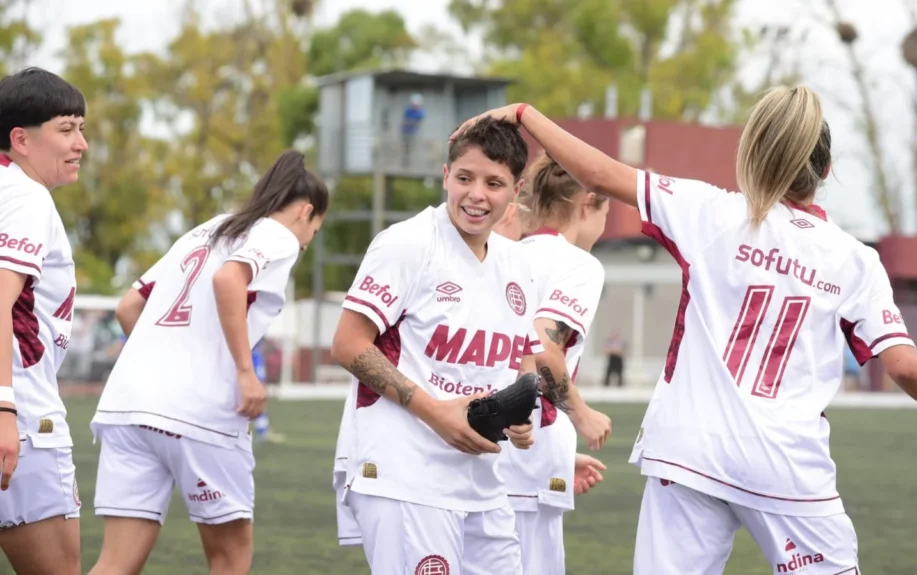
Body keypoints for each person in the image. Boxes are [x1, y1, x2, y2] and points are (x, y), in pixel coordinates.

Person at [455, 89, 917, 574]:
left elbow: (599, 173)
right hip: (788, 467)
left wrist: (528, 114)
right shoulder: (853, 260)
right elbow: (905, 365)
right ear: (828, 168)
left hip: (688, 454)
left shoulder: (710, 212)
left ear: (755, 154)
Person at [330, 117, 604, 575]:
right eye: (464, 178)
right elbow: (347, 343)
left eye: (493, 183)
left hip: (482, 480)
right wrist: (434, 411)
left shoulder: (516, 263)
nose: (476, 195)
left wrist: (519, 413)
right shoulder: (408, 244)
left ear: (515, 190)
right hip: (405, 474)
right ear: (445, 176)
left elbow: (520, 354)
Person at [87, 150, 328, 575]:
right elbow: (227, 278)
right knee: (230, 557)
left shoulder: (208, 229)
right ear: (307, 212)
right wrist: (243, 370)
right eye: (315, 229)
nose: (308, 240)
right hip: (200, 412)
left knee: (115, 563)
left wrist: (158, 363)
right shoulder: (277, 235)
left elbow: (128, 307)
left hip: (127, 407)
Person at [493, 154, 611, 575]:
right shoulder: (579, 265)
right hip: (529, 452)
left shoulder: (505, 253)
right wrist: (581, 416)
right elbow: (543, 345)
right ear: (588, 203)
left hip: (488, 448)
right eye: (605, 212)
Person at [0, 67, 88, 575]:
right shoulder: (27, 196)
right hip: (26, 418)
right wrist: (5, 408)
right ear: (21, 139)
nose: (81, 142)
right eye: (67, 128)